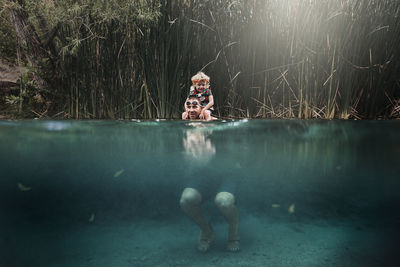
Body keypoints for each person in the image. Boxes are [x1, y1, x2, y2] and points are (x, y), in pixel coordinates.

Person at [180, 98, 239, 253]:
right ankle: (207, 230)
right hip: (201, 176)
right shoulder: (185, 127)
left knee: (224, 202)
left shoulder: (212, 123)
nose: (192, 108)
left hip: (225, 175)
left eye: (195, 106)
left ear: (203, 108)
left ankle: (233, 234)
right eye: (189, 106)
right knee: (186, 200)